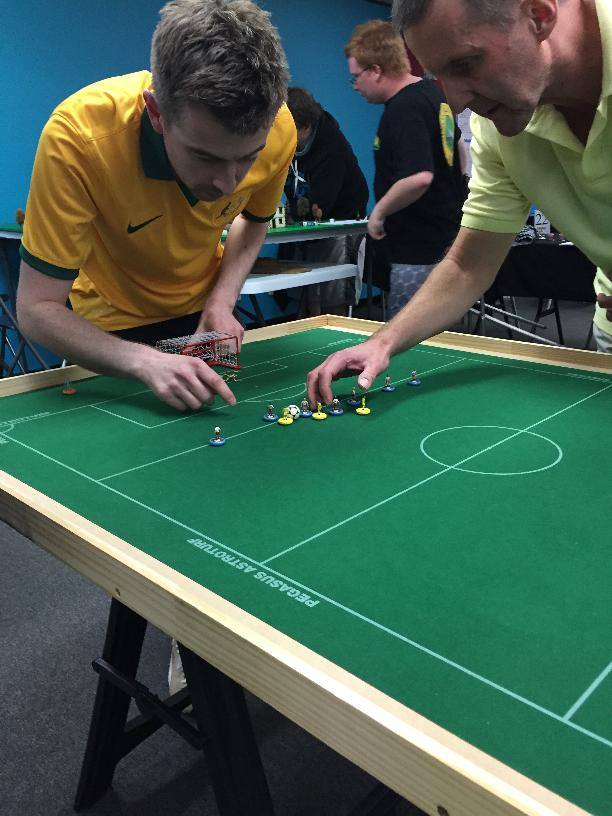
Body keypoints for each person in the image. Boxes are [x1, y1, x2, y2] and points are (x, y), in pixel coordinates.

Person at [307, 0, 612, 405]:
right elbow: (469, 265)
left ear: (539, 14)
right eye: (439, 75)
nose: (456, 102)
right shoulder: (496, 127)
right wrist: (383, 342)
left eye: (465, 64)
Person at [16, 0, 296, 412]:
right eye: (204, 156)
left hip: (203, 318)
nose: (228, 183)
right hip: (109, 333)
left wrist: (222, 302)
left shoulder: (280, 128)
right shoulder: (77, 139)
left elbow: (254, 222)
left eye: (248, 157)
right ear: (156, 113)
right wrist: (144, 361)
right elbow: (36, 309)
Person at [345, 20, 466, 318]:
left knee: (406, 332)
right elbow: (460, 150)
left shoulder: (404, 108)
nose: (355, 86)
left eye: (356, 77)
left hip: (418, 251)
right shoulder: (433, 94)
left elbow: (419, 177)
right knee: (437, 330)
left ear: (376, 70)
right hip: (445, 239)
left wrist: (379, 212)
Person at [281, 87, 369, 315]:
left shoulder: (332, 148)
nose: (281, 136)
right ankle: (311, 325)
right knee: (309, 289)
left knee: (334, 292)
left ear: (305, 127)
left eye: (288, 130)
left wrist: (296, 211)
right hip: (310, 226)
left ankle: (335, 329)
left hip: (341, 222)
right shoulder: (292, 145)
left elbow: (321, 204)